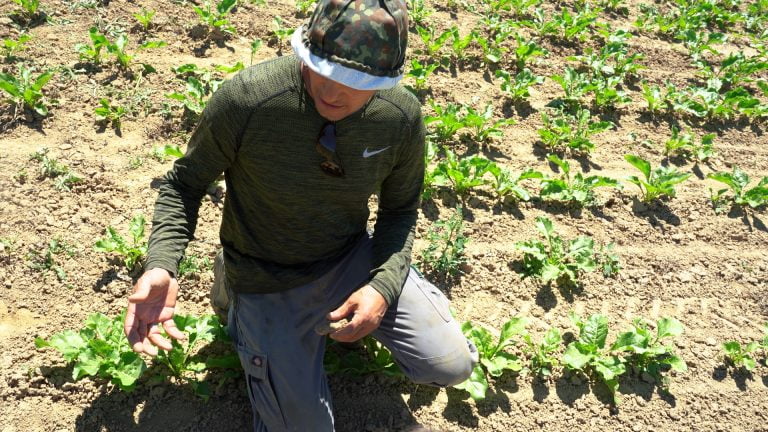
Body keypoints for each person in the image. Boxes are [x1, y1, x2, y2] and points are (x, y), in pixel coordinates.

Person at [123, 0, 478, 430]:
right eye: (319, 68)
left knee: (450, 365)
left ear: (387, 80)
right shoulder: (249, 100)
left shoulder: (398, 117)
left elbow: (399, 211)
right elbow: (184, 185)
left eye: (352, 82)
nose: (330, 91)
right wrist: (161, 264)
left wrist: (381, 290)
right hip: (265, 274)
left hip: (349, 258)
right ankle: (235, 295)